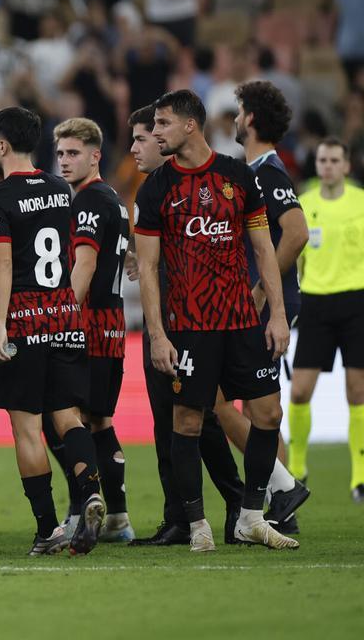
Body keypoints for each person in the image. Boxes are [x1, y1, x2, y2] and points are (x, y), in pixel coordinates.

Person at [134, 89, 297, 551]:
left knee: (268, 413)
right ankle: (198, 524)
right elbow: (147, 266)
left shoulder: (238, 176)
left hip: (242, 321)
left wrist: (277, 314)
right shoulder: (155, 189)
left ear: (190, 125)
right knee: (187, 422)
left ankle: (250, 516)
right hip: (189, 326)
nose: (155, 132)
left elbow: (264, 249)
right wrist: (157, 335)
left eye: (163, 123)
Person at [0, 107, 106, 556]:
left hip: (23, 317)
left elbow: (1, 261)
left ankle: (48, 528)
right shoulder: (58, 188)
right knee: (68, 417)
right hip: (64, 313)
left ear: (2, 145)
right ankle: (90, 490)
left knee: (27, 429)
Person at [124, 106, 248, 548]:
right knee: (174, 420)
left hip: (188, 321)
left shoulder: (189, 186)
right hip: (166, 319)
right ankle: (186, 514)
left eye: (144, 137)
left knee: (193, 418)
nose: (137, 147)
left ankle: (248, 496)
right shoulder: (154, 194)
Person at [224, 81, 311, 532]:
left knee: (239, 406)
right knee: (258, 410)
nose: (235, 119)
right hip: (257, 302)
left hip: (265, 303)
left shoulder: (267, 173)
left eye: (239, 111)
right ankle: (281, 500)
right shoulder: (255, 171)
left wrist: (261, 290)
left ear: (252, 119)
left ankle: (282, 491)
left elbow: (296, 232)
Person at [52, 118, 134, 542]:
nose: (64, 161)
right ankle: (118, 519)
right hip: (113, 325)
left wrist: (62, 316)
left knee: (69, 420)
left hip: (85, 323)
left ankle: (79, 510)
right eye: (60, 153)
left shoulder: (87, 201)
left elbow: (84, 265)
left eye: (73, 153)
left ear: (95, 155)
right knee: (100, 421)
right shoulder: (114, 200)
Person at [291, 138, 364, 504]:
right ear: (316, 164)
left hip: (356, 301)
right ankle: (297, 470)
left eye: (335, 160)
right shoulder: (304, 203)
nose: (329, 166)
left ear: (346, 166)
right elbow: (297, 258)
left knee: (358, 391)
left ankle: (360, 476)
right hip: (316, 303)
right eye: (323, 160)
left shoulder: (361, 202)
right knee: (299, 391)